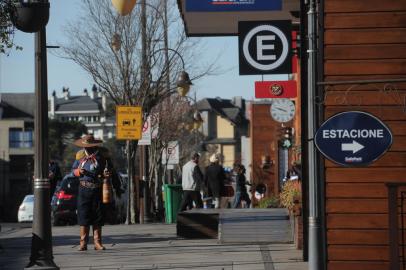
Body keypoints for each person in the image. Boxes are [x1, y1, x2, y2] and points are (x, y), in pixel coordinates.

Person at [71, 134, 112, 251]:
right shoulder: (80, 156)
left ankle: (97, 242)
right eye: (85, 146)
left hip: (97, 189)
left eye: (89, 146)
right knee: (84, 215)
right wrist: (79, 171)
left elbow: (110, 169)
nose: (87, 148)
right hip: (84, 189)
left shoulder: (102, 156)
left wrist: (107, 173)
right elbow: (73, 170)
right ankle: (83, 243)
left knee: (98, 216)